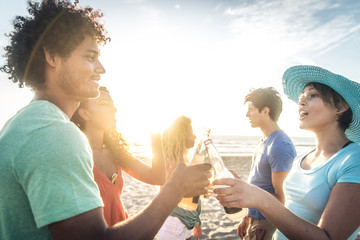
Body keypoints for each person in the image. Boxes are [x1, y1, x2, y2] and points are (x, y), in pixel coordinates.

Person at [0, 1, 211, 239]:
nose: (101, 69)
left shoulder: (21, 124)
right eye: (90, 57)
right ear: (52, 56)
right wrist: (175, 190)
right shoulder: (54, 132)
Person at [214, 65, 360, 239]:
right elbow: (290, 210)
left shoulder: (353, 159)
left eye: (313, 95)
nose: (301, 102)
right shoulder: (301, 159)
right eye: (301, 98)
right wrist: (246, 192)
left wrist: (260, 198)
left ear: (341, 106)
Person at [70, 86, 166, 226]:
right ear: (85, 114)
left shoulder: (116, 152)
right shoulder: (74, 154)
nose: (114, 110)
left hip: (121, 230)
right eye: (104, 104)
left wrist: (156, 137)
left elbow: (157, 177)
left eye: (113, 105)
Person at [239, 87, 297, 239]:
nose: (247, 114)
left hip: (267, 223)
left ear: (265, 111)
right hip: (255, 218)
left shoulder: (280, 146)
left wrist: (245, 191)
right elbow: (260, 185)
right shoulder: (264, 141)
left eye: (251, 109)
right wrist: (247, 216)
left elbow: (282, 198)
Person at [157, 116, 203, 240]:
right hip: (172, 222)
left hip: (185, 222)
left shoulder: (184, 161)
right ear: (181, 136)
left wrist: (196, 221)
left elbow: (193, 198)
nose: (195, 136)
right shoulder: (171, 163)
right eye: (191, 133)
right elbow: (169, 197)